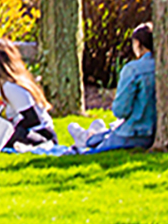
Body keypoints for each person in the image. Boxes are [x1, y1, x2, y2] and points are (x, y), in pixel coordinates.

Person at [67, 23, 156, 154]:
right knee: (107, 134)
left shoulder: (133, 70)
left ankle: (87, 138)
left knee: (90, 150)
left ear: (137, 44)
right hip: (152, 132)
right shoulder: (164, 68)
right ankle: (92, 135)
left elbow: (120, 110)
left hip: (133, 133)